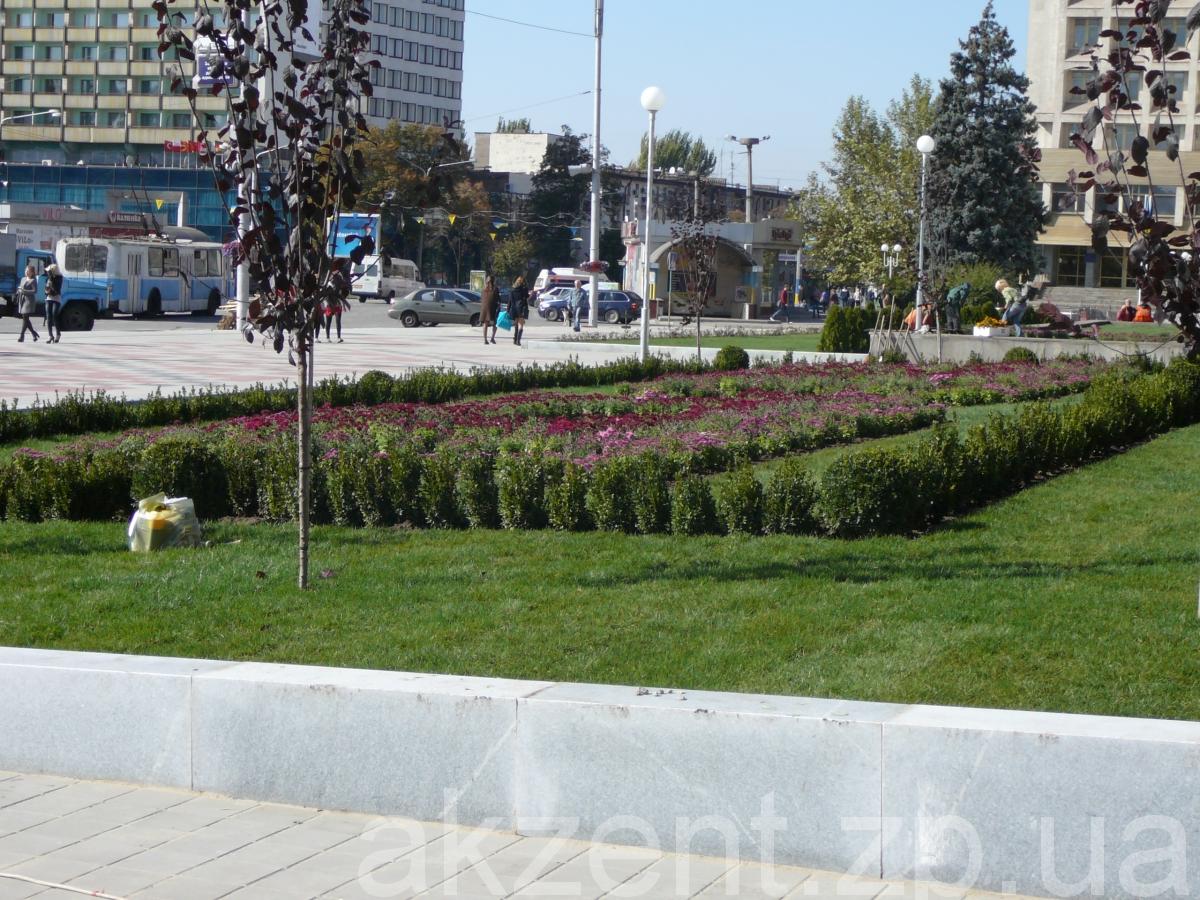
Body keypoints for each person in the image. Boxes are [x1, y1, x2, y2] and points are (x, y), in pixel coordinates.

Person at [15, 264, 39, 343]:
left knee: (25, 317)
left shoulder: (33, 280)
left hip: (29, 301)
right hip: (22, 300)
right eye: (26, 270)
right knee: (25, 318)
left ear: (32, 273)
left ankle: (22, 336)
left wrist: (24, 291)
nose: (26, 272)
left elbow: (34, 291)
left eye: (28, 271)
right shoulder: (23, 279)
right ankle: (33, 333)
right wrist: (18, 291)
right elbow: (20, 287)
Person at [507, 275, 530, 346]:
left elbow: (510, 301)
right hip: (521, 308)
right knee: (521, 325)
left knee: (516, 324)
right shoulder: (524, 289)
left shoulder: (512, 289)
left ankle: (515, 339)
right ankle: (518, 340)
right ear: (522, 282)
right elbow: (527, 297)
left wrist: (508, 309)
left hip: (514, 309)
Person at [43, 262, 63, 344]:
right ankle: (50, 335)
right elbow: (46, 288)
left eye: (49, 271)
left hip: (56, 299)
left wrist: (52, 279)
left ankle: (58, 334)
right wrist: (46, 291)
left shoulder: (59, 278)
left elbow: (56, 290)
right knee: (48, 317)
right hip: (48, 298)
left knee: (54, 315)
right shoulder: (48, 278)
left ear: (53, 271)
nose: (48, 272)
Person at [480, 276, 500, 344]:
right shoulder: (495, 289)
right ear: (493, 281)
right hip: (493, 307)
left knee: (485, 323)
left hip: (484, 308)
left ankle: (485, 339)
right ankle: (492, 338)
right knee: (495, 323)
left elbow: (482, 298)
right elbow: (498, 299)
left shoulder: (483, 289)